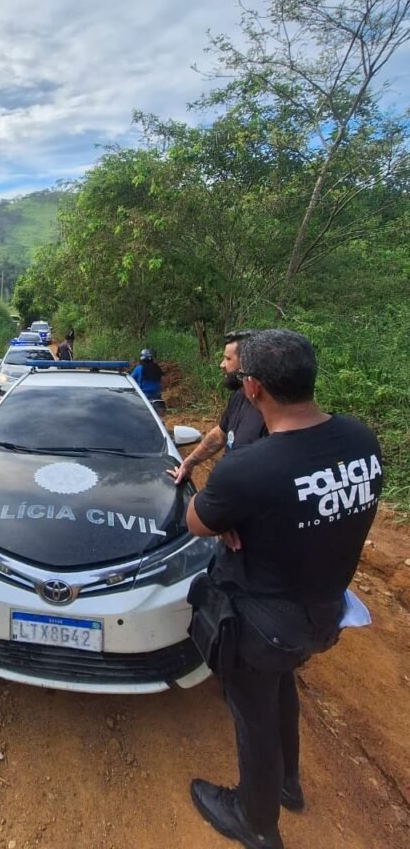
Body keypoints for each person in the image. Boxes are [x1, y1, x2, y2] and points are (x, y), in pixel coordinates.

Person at [185, 329, 382, 849]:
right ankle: (288, 785)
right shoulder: (360, 440)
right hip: (324, 611)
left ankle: (255, 820)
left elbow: (197, 521)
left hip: (262, 621)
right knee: (279, 689)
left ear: (252, 388)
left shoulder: (251, 467)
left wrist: (234, 513)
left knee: (253, 715)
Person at [168, 330, 265, 484]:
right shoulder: (239, 396)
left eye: (228, 359)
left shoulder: (268, 412)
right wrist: (189, 462)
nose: (222, 365)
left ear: (247, 364)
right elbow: (220, 434)